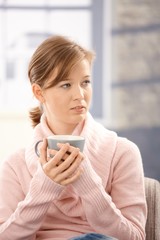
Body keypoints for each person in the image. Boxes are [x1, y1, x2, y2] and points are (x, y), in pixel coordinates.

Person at [0, 35, 147, 240]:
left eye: (85, 82)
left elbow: (136, 237)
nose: (80, 95)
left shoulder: (122, 152)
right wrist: (45, 187)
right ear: (39, 93)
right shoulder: (15, 165)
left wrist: (87, 182)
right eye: (66, 85)